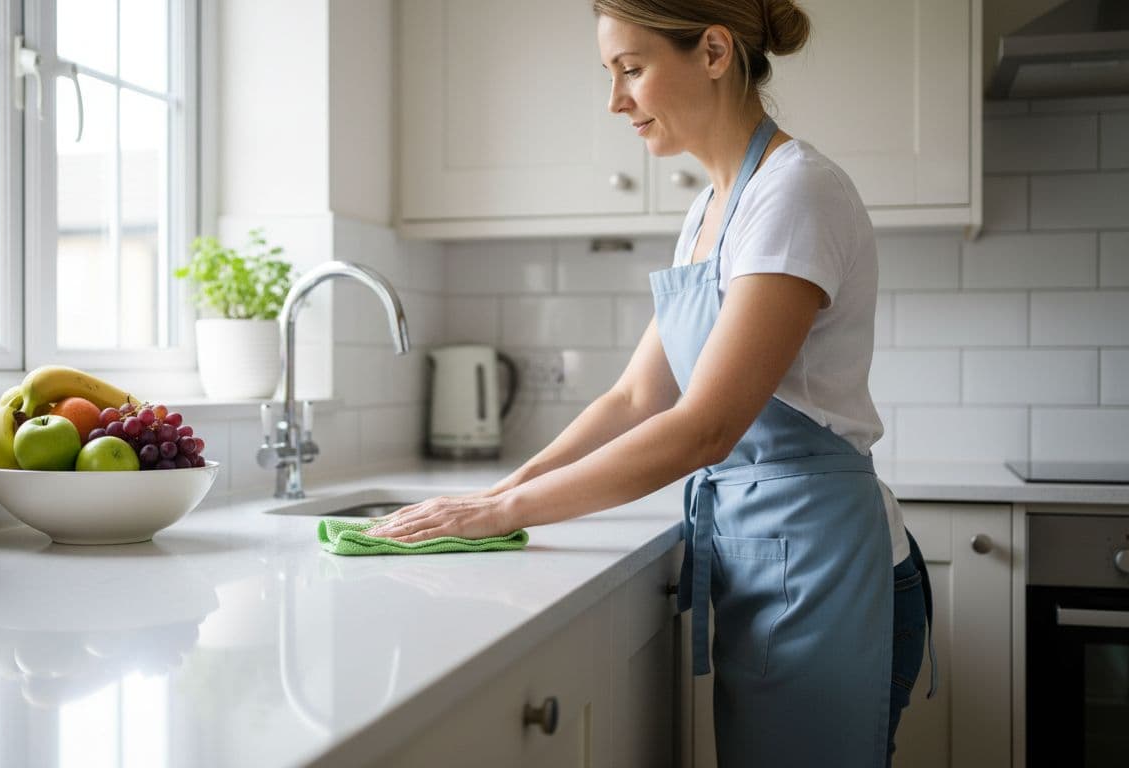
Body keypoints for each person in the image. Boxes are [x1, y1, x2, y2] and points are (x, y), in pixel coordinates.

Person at [367, 0, 934, 764]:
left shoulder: (796, 192)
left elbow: (705, 426)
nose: (615, 100)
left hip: (821, 566)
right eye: (611, 74)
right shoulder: (708, 208)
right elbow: (636, 398)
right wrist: (502, 492)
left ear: (712, 52)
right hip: (763, 555)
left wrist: (508, 507)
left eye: (631, 70)